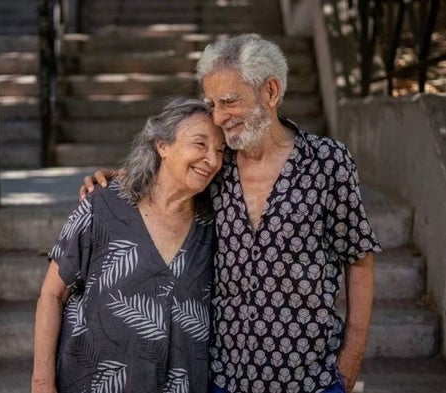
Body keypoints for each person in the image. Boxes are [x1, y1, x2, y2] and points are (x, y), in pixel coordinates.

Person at [81, 34, 382, 393]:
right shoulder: (215, 167)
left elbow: (358, 258)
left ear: (271, 92)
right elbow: (169, 177)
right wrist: (119, 177)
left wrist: (348, 365)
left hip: (311, 378)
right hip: (224, 379)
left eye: (229, 101)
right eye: (212, 104)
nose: (219, 117)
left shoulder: (329, 162)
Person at [31, 97, 226, 393]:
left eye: (220, 151)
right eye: (200, 144)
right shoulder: (103, 205)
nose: (212, 160)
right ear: (162, 145)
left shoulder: (216, 224)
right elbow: (52, 294)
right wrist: (42, 383)